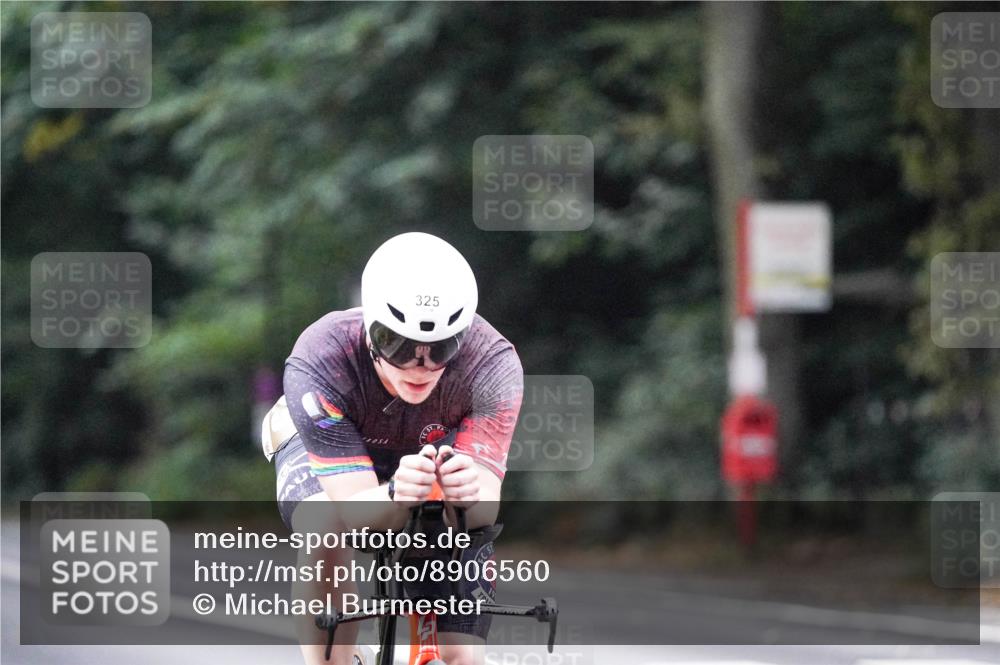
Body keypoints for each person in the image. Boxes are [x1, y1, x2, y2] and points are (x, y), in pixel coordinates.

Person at [264, 232, 524, 665]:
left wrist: (466, 494)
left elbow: (484, 511)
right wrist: (393, 495)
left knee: (462, 657)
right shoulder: (322, 356)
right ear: (370, 331)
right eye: (397, 344)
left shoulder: (492, 365)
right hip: (342, 458)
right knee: (324, 524)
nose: (418, 366)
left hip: (431, 452)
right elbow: (354, 512)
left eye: (440, 348)